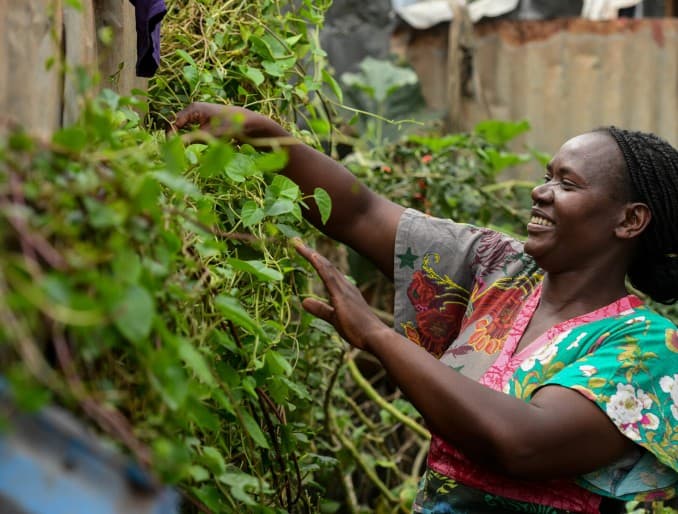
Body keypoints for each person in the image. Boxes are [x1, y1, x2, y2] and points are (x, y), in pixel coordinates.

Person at [172, 103, 678, 514]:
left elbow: (524, 443)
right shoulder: (498, 269)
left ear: (630, 221)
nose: (539, 192)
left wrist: (377, 335)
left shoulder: (648, 348)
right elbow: (360, 211)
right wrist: (263, 136)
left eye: (567, 185)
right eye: (547, 176)